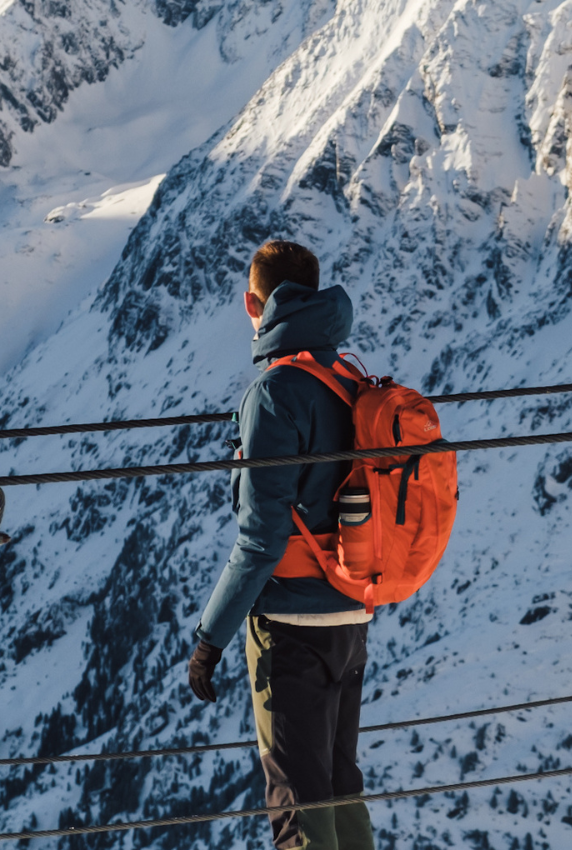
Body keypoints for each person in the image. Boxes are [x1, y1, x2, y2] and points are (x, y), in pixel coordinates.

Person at [188, 240, 375, 850]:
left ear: (253, 303)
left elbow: (260, 540)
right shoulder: (349, 377)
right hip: (352, 616)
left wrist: (208, 640)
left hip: (291, 630)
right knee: (342, 786)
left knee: (298, 802)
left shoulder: (275, 395)